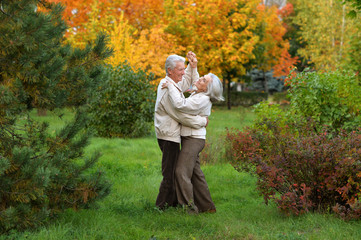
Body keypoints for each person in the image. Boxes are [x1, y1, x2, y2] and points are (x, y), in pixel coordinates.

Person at [162, 72, 224, 214]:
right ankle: (207, 207)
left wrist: (171, 86)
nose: (199, 79)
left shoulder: (202, 99)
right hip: (191, 138)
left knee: (181, 172)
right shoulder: (198, 95)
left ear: (207, 89)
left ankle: (189, 209)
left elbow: (180, 105)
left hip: (193, 140)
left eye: (203, 80)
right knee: (196, 174)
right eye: (201, 77)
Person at [154, 52, 208, 210]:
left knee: (173, 171)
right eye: (180, 69)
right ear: (170, 70)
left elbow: (190, 83)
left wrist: (193, 67)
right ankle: (161, 207)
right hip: (168, 136)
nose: (183, 72)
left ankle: (173, 204)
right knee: (169, 174)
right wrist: (202, 122)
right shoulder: (166, 87)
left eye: (184, 69)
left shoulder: (173, 83)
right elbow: (180, 115)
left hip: (172, 135)